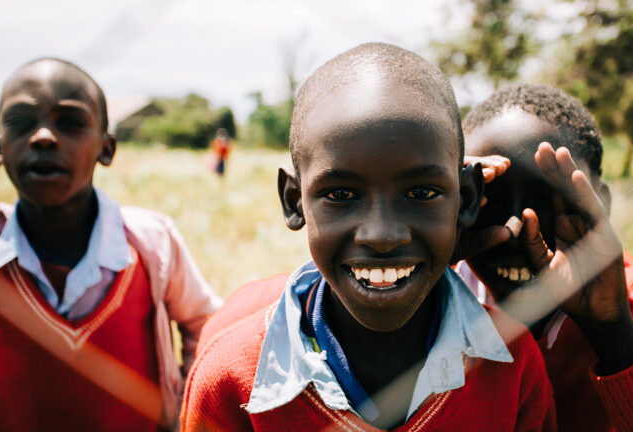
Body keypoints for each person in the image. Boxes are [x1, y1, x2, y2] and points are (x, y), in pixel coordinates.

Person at [181, 43, 556, 431]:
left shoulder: (511, 366)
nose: (382, 235)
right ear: (295, 202)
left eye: (421, 193)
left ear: (468, 199)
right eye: (341, 194)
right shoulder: (230, 380)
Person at [456, 83, 633, 431]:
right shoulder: (432, 295)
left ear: (600, 202)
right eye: (488, 199)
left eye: (545, 199)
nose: (517, 227)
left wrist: (614, 334)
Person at [0, 58, 221, 430]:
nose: (42, 137)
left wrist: (187, 414)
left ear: (107, 148)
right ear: (0, 147)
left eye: (70, 122)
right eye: (21, 123)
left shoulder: (152, 244)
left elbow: (207, 324)